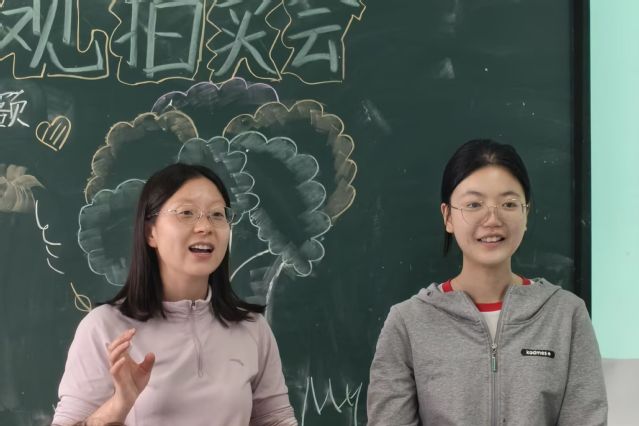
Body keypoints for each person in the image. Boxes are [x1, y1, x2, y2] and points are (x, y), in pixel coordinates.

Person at [367, 139, 607, 425]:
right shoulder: (407, 323)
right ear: (448, 216)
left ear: (526, 213)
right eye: (473, 204)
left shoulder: (566, 316)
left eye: (508, 204)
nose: (492, 219)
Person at [53, 163, 298, 426]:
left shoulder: (252, 328)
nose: (205, 226)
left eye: (217, 214)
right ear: (150, 232)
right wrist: (117, 407)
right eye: (186, 213)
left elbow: (277, 420)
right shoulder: (104, 327)